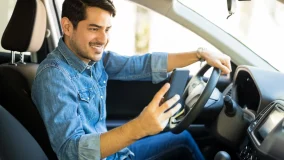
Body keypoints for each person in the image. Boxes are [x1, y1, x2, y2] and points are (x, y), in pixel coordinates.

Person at [31, 0, 231, 159]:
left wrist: (200, 54)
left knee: (183, 138)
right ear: (67, 26)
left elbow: (142, 65)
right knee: (182, 142)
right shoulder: (54, 76)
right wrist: (139, 128)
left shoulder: (93, 59)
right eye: (94, 29)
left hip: (116, 153)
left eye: (107, 29)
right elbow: (71, 152)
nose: (103, 39)